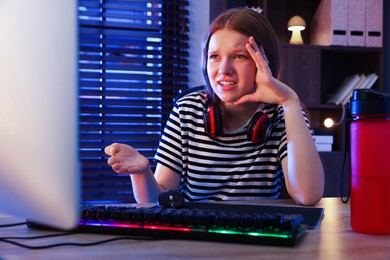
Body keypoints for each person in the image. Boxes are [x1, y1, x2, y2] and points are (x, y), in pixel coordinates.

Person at [105, 8, 325, 206]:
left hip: (259, 242)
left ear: (264, 62)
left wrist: (290, 101)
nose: (224, 69)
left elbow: (308, 195)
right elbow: (159, 198)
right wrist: (142, 172)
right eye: (214, 57)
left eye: (239, 56)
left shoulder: (284, 113)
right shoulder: (187, 110)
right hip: (198, 238)